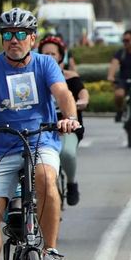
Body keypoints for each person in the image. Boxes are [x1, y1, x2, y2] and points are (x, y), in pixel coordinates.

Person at [0, 9, 80, 260]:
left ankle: (49, 251)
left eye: (20, 34)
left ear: (32, 38)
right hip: (0, 148)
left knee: (46, 178)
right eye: (7, 34)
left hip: (40, 140)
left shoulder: (46, 64)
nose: (13, 40)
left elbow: (62, 93)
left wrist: (68, 118)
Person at [39, 35, 88, 205]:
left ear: (60, 56)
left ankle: (71, 183)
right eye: (46, 54)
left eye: (53, 54)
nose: (50, 58)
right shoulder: (36, 76)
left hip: (68, 127)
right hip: (42, 128)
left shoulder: (69, 76)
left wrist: (82, 102)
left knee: (67, 153)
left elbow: (82, 93)